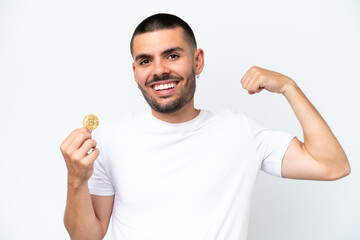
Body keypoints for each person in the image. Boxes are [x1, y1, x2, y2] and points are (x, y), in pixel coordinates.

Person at [60, 13, 351, 240]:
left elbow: (332, 166)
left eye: (172, 55)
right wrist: (76, 180)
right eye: (146, 60)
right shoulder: (109, 139)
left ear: (197, 61)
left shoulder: (240, 132)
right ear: (135, 72)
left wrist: (289, 87)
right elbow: (87, 236)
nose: (159, 70)